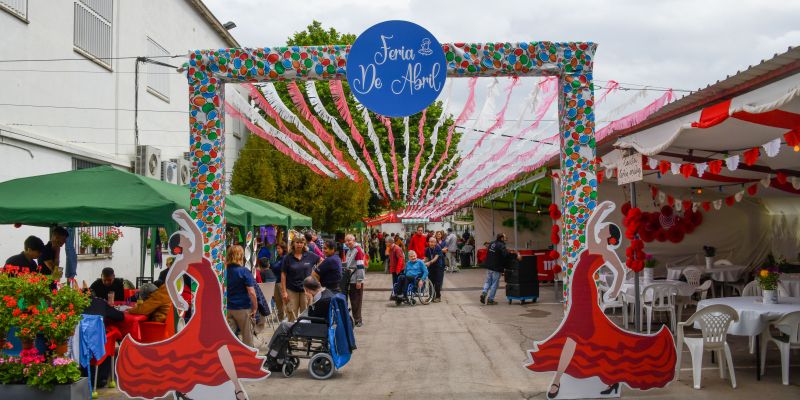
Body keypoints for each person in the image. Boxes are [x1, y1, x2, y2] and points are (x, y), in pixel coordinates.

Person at [527, 201, 676, 398]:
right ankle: (610, 380)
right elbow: (591, 226)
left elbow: (621, 272)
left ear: (609, 236)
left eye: (604, 228)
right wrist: (601, 211)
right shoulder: (595, 245)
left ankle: (557, 382)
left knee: (572, 338)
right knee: (597, 339)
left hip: (586, 297)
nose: (600, 229)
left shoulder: (606, 251)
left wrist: (613, 291)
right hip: (579, 295)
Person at [116, 209, 267, 400]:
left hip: (212, 304)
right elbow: (170, 281)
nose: (188, 239)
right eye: (183, 239)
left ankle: (220, 388)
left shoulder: (191, 255)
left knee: (211, 348)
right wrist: (177, 299)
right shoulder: (185, 259)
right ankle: (234, 389)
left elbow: (195, 235)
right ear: (180, 246)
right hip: (206, 305)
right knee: (219, 347)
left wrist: (186, 219)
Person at [265, 276, 334, 370]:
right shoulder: (327, 293)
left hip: (317, 327)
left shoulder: (322, 301)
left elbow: (313, 318)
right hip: (319, 325)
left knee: (284, 327)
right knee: (285, 331)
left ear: (308, 290)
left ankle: (272, 354)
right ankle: (278, 357)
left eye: (305, 290)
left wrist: (309, 302)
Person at [281, 236, 321, 321]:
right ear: (293, 244)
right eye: (297, 242)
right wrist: (284, 291)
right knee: (291, 313)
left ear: (304, 244)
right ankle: (291, 332)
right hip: (291, 289)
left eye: (301, 242)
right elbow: (283, 274)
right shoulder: (287, 257)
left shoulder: (310, 255)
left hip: (306, 290)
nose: (299, 244)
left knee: (306, 313)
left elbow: (322, 261)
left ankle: (304, 332)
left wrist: (316, 275)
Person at [225, 245, 258, 347]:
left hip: (227, 308)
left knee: (228, 335)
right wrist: (255, 307)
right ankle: (249, 359)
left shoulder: (223, 271)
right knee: (247, 336)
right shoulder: (244, 271)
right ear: (241, 256)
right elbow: (251, 292)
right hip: (242, 308)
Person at [480, 234, 521, 305]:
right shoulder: (501, 245)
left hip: (489, 266)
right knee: (494, 284)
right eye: (505, 237)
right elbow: (506, 255)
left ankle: (484, 292)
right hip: (496, 267)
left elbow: (497, 252)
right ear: (502, 238)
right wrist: (516, 255)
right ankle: (490, 300)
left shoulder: (492, 243)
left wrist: (506, 250)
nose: (506, 238)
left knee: (488, 281)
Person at [343, 234, 366, 327]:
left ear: (354, 240)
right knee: (352, 300)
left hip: (356, 280)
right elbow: (347, 264)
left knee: (356, 301)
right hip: (350, 279)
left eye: (349, 240)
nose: (348, 242)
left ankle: (358, 320)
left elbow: (360, 266)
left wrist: (359, 280)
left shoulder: (358, 250)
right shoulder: (349, 251)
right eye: (346, 241)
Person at [424, 237, 445, 303]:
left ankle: (438, 297)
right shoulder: (427, 249)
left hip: (439, 267)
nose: (431, 243)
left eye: (433, 242)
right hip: (431, 267)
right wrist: (422, 262)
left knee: (437, 283)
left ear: (435, 243)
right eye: (430, 242)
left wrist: (429, 262)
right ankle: (431, 297)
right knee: (430, 283)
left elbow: (435, 258)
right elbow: (426, 258)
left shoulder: (438, 248)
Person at [270, 242, 287, 321]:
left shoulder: (284, 258)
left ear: (283, 249)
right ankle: (280, 316)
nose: (277, 250)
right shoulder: (278, 258)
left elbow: (277, 268)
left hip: (281, 282)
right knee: (278, 300)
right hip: (276, 280)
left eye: (279, 248)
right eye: (277, 248)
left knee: (283, 300)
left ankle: (286, 316)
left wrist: (273, 266)